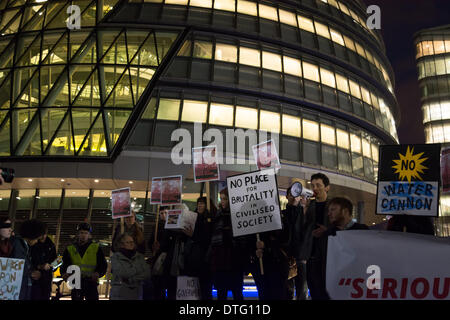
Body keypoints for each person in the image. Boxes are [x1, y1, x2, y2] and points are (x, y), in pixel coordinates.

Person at [208, 187, 248, 300]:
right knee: (221, 292)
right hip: (220, 259)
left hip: (234, 259)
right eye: (221, 199)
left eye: (225, 199)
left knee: (237, 292)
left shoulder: (237, 215)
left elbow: (242, 239)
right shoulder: (218, 215)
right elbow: (214, 237)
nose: (222, 202)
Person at [301, 173, 331, 300]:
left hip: (329, 257)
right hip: (312, 256)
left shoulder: (333, 205)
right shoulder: (309, 206)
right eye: (313, 186)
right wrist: (304, 210)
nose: (315, 188)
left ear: (327, 187)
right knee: (314, 291)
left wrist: (327, 231)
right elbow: (302, 229)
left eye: (318, 185)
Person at [61, 222, 107, 300]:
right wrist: (64, 273)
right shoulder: (70, 248)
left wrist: (98, 273)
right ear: (78, 234)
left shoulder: (96, 248)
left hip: (91, 281)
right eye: (81, 233)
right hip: (76, 282)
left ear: (89, 235)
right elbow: (65, 263)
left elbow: (102, 264)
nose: (83, 235)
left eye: (86, 233)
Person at [183, 197, 214, 300]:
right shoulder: (193, 217)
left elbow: (207, 239)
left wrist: (193, 235)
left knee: (205, 290)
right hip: (193, 260)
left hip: (205, 261)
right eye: (198, 203)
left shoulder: (210, 219)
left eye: (202, 203)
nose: (199, 205)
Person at [11, 219, 46, 300]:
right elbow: (17, 266)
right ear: (32, 235)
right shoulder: (18, 245)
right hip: (19, 287)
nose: (37, 241)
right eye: (37, 239)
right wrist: (31, 273)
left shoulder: (23, 245)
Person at [283, 186, 308, 300]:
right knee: (287, 291)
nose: (293, 197)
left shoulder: (304, 213)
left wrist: (303, 208)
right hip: (286, 257)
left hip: (301, 257)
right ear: (287, 196)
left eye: (296, 194)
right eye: (291, 194)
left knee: (302, 291)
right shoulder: (282, 215)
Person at [110, 233, 151, 300]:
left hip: (136, 294)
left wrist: (131, 279)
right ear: (121, 244)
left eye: (132, 242)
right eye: (128, 242)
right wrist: (138, 268)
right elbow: (123, 273)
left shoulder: (139, 257)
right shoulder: (116, 257)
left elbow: (147, 273)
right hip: (120, 294)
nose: (131, 244)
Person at [30, 224, 57, 300]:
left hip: (47, 278)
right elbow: (30, 260)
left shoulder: (50, 245)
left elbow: (56, 261)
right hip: (35, 278)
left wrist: (51, 266)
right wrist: (39, 266)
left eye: (45, 234)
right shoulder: (33, 244)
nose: (43, 236)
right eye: (41, 234)